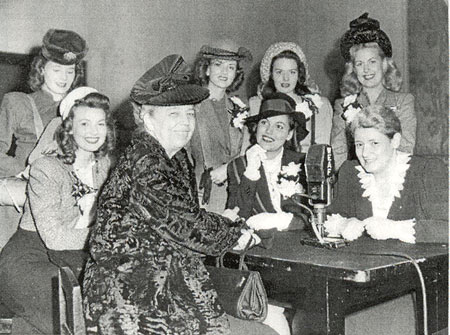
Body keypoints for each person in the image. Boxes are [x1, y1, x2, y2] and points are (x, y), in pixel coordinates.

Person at [83, 55, 277, 335]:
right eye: (173, 114)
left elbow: (186, 218)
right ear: (146, 118)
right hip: (129, 297)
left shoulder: (176, 157)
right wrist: (235, 232)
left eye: (189, 113)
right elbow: (183, 224)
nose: (185, 123)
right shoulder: (144, 159)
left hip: (166, 282)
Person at [320, 105, 447, 335]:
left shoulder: (427, 169)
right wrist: (343, 224)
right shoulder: (350, 171)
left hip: (420, 294)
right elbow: (327, 217)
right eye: (359, 144)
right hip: (363, 293)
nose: (365, 153)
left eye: (374, 143)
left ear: (395, 141)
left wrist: (396, 228)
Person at [0, 87, 115, 334]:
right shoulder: (47, 168)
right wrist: (108, 234)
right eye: (84, 123)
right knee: (78, 313)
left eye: (100, 124)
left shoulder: (104, 166)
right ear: (69, 127)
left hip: (74, 257)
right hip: (30, 260)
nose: (94, 132)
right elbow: (56, 238)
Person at [227, 93, 312, 335]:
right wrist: (251, 174)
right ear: (254, 128)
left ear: (289, 134)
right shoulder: (238, 166)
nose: (270, 131)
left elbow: (317, 215)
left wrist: (285, 220)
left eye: (279, 126)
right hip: (263, 259)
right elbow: (238, 214)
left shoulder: (303, 163)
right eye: (264, 123)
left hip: (300, 254)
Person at [0, 28, 87, 249]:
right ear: (42, 68)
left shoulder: (83, 108)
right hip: (23, 205)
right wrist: (24, 171)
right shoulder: (17, 102)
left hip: (66, 207)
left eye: (70, 71)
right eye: (57, 69)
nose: (64, 78)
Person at [331, 13, 416, 170]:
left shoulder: (403, 101)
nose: (366, 69)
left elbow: (405, 148)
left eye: (372, 62)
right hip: (356, 178)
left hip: (393, 176)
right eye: (360, 64)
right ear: (353, 69)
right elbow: (338, 151)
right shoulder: (342, 105)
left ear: (384, 64)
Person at [189, 40, 253, 214]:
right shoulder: (191, 106)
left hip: (236, 191)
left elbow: (248, 153)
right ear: (207, 69)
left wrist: (230, 169)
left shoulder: (239, 108)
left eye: (231, 67)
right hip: (201, 191)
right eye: (218, 65)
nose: (225, 72)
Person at [243, 42, 333, 155]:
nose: (285, 78)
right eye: (279, 72)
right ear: (271, 74)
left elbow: (323, 152)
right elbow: (246, 151)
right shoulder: (256, 104)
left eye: (292, 72)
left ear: (299, 74)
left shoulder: (320, 106)